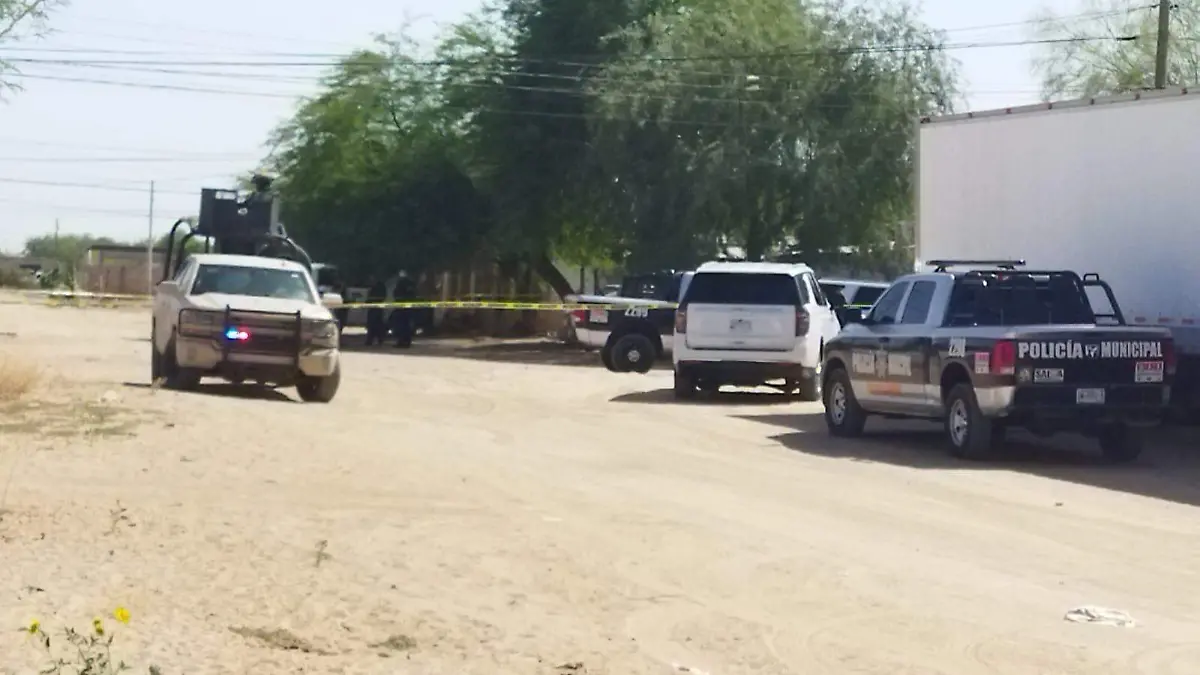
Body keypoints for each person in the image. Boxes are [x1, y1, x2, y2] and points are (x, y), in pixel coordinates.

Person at [389, 271, 415, 348]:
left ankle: (402, 341)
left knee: (402, 325)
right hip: (405, 307)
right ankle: (405, 341)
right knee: (405, 325)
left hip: (402, 307)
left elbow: (397, 293)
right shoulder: (409, 283)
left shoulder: (403, 283)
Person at [365, 276, 387, 346]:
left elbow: (376, 297)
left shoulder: (378, 287)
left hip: (376, 308)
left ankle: (371, 340)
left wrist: (368, 302)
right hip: (374, 308)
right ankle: (378, 339)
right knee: (376, 324)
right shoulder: (377, 287)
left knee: (373, 324)